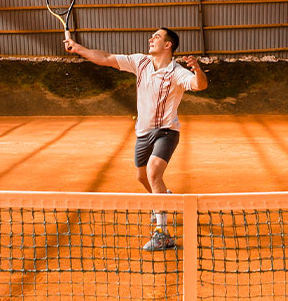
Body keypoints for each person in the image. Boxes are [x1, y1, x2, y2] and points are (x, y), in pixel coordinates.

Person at [64, 27, 207, 251]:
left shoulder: (176, 72)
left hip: (166, 131)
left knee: (153, 172)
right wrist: (78, 48)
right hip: (142, 132)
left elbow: (200, 85)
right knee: (142, 177)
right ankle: (164, 200)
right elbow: (106, 58)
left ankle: (163, 235)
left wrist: (197, 70)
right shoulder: (140, 62)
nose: (151, 39)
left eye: (157, 37)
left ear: (168, 45)